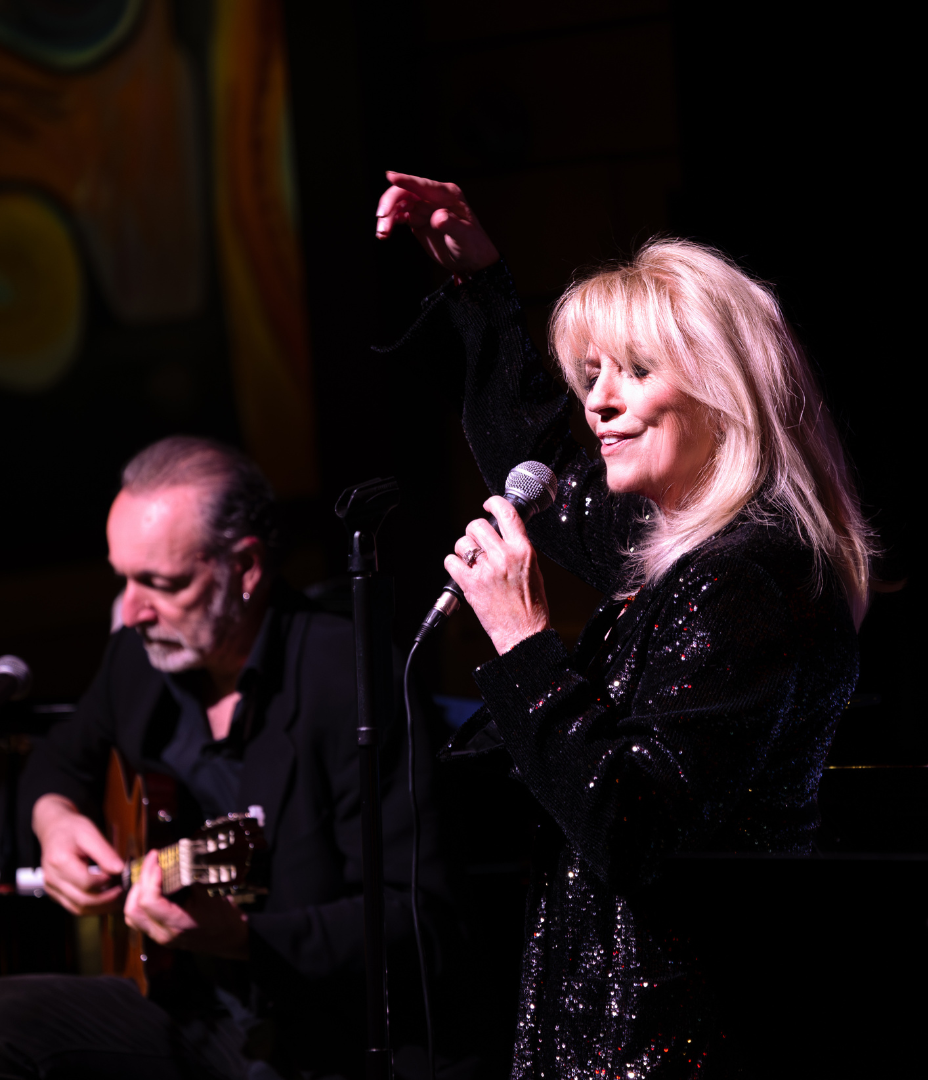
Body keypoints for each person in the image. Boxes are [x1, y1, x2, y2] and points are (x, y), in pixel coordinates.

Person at [376, 174, 874, 1077]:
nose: (599, 402)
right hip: (606, 1026)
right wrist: (481, 291)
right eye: (592, 374)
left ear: (725, 393)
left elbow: (632, 825)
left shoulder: (753, 579)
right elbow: (541, 459)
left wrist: (524, 644)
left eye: (635, 374)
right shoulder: (671, 554)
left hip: (686, 1040)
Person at [0, 437, 466, 1079]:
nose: (131, 610)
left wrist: (244, 939)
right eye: (123, 578)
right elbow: (58, 758)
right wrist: (55, 823)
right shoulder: (138, 660)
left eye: (160, 584)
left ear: (244, 569)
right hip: (179, 1008)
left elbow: (417, 921)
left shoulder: (350, 679)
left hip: (324, 1036)